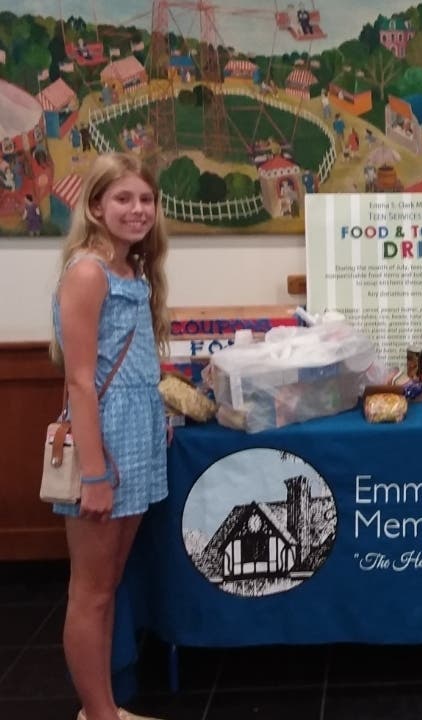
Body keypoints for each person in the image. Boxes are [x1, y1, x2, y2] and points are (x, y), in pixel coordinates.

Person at [50, 152, 170, 720]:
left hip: (137, 438)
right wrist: (94, 474)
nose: (137, 209)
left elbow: (131, 361)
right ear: (96, 206)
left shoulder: (132, 272)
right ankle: (97, 713)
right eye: (123, 198)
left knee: (111, 581)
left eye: (145, 199)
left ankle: (104, 708)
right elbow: (79, 379)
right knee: (92, 591)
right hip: (104, 447)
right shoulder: (88, 272)